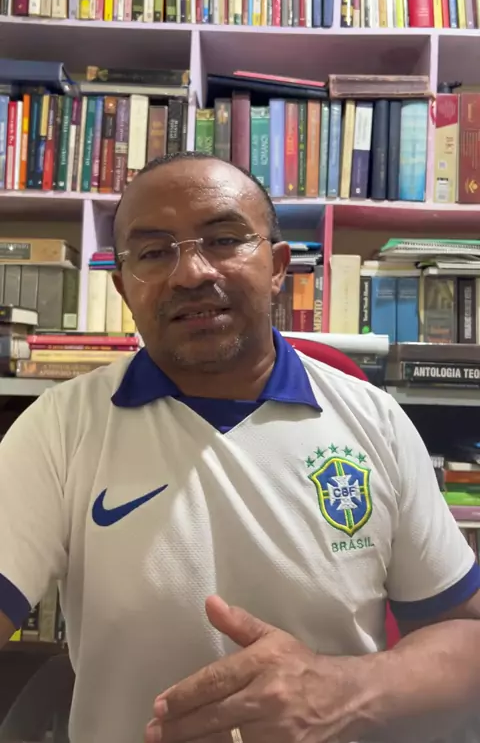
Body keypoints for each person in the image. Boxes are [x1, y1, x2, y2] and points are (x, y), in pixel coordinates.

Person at [0, 151, 479, 743]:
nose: (190, 273)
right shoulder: (60, 428)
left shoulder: (374, 421)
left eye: (224, 240)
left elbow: (466, 637)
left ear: (278, 267)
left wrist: (346, 692)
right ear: (124, 287)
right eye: (153, 252)